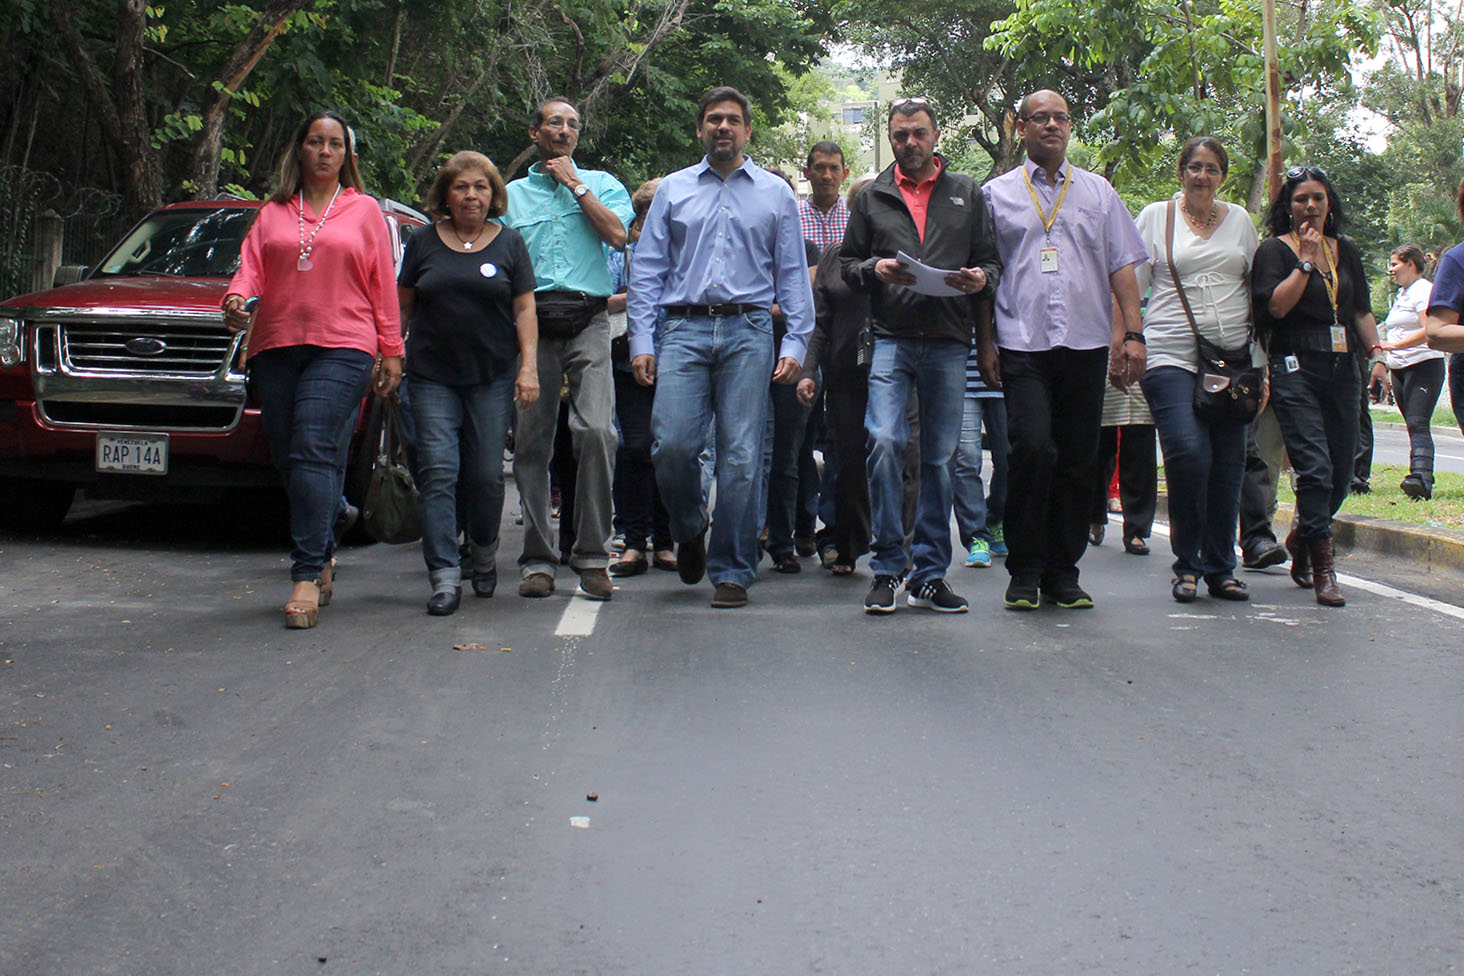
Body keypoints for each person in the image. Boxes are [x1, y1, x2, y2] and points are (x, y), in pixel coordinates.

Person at [628, 86, 814, 609]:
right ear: (700, 129)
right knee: (672, 445)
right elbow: (647, 269)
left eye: (733, 120)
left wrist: (797, 339)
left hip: (749, 330)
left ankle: (733, 568)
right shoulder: (673, 189)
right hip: (682, 331)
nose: (723, 127)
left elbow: (792, 274)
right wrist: (642, 337)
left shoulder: (775, 194)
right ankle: (690, 527)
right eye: (714, 119)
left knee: (740, 456)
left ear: (748, 130)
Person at [223, 112, 402, 629]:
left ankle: (305, 573)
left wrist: (390, 350)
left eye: (335, 144)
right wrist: (236, 299)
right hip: (276, 343)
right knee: (288, 453)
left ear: (347, 156)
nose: (325, 151)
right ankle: (330, 526)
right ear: (298, 150)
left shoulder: (365, 211)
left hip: (344, 345)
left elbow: (381, 284)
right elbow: (250, 267)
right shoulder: (275, 211)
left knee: (313, 447)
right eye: (315, 142)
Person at [978, 90, 1148, 610]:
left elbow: (1123, 266)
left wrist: (1133, 336)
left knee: (1078, 458)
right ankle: (1024, 569)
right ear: (1020, 126)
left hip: (1086, 341)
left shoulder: (1098, 193)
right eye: (1041, 118)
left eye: (1061, 118)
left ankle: (1062, 570)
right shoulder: (995, 195)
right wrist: (985, 342)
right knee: (1030, 449)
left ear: (1070, 127)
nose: (1052, 125)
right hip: (1021, 341)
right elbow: (986, 275)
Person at [840, 96, 1002, 615]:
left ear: (936, 137)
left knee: (940, 459)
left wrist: (980, 278)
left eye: (918, 134)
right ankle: (888, 566)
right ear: (890, 138)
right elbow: (847, 264)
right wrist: (875, 270)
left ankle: (930, 573)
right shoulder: (873, 197)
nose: (909, 143)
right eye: (900, 135)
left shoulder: (966, 193)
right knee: (885, 440)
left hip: (950, 342)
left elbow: (991, 263)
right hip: (891, 337)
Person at [500, 96, 632, 602]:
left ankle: (594, 556)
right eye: (554, 122)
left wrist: (574, 185)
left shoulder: (602, 185)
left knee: (597, 431)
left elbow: (618, 236)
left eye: (573, 124)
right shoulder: (511, 196)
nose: (564, 130)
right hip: (531, 325)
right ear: (535, 132)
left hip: (589, 320)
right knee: (532, 444)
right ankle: (537, 558)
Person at [397, 151, 538, 615]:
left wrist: (529, 367)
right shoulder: (422, 242)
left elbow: (523, 309)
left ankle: (482, 549)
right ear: (446, 194)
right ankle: (443, 575)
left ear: (493, 194)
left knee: (483, 475)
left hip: (491, 376)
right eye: (461, 187)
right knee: (438, 472)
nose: (471, 195)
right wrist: (391, 355)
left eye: (479, 187)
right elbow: (403, 308)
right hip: (431, 375)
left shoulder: (510, 244)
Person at [1133, 136, 1261, 602]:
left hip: (1232, 360)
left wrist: (1260, 366)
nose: (1202, 176)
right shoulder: (1155, 217)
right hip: (1169, 352)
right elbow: (1131, 285)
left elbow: (1256, 292)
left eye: (1211, 168)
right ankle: (1187, 562)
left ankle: (1220, 568)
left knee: (1228, 465)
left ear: (1222, 176)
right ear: (1181, 172)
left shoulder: (1241, 221)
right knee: (1189, 454)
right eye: (1194, 167)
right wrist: (1127, 340)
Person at [1252, 165, 1385, 607]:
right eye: (1301, 199)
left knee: (1343, 472)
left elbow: (1360, 310)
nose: (1310, 206)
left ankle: (1303, 534)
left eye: (1318, 198)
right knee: (1314, 466)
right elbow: (1276, 306)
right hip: (1295, 365)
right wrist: (1305, 261)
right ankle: (1323, 568)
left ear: (1330, 203)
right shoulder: (1275, 250)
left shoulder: (1344, 249)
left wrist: (1379, 356)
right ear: (1287, 207)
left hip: (1344, 366)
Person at [799, 177, 875, 576]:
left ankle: (898, 545)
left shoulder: (898, 252)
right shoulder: (832, 256)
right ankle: (848, 544)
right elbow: (820, 323)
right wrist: (809, 371)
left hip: (894, 371)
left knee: (897, 455)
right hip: (846, 373)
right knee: (847, 462)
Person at [606, 178, 675, 578]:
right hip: (628, 362)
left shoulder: (685, 254)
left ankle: (665, 541)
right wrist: (640, 294)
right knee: (634, 448)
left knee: (670, 450)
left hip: (680, 363)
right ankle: (633, 541)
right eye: (648, 215)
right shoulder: (622, 255)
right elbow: (602, 298)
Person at [1379, 244, 1444, 499]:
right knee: (1411, 424)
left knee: (1418, 422)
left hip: (1424, 365)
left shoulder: (1423, 290)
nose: (1391, 270)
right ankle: (1419, 473)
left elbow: (1429, 329)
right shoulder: (1402, 294)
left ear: (1411, 264)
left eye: (1395, 264)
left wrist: (1394, 345)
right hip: (1400, 368)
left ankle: (1421, 478)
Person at [1092, 381, 1156, 555]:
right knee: (1099, 450)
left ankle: (1136, 529)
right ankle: (1094, 515)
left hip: (1142, 376)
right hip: (1104, 373)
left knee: (1140, 452)